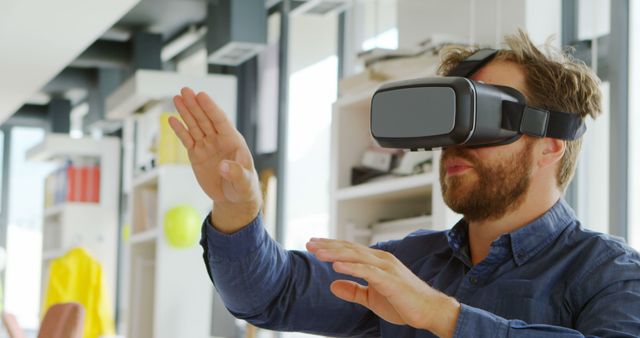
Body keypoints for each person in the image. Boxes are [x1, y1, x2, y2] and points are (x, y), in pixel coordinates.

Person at [168, 30, 640, 337]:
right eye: (451, 123)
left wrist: (441, 316)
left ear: (550, 144)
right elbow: (270, 295)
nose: (454, 143)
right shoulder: (409, 263)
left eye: (482, 119)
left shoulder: (611, 274)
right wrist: (237, 206)